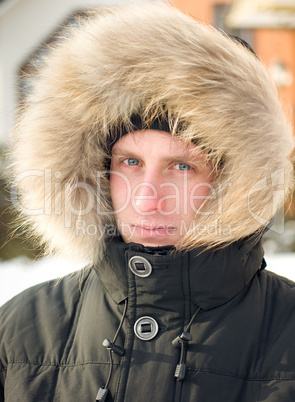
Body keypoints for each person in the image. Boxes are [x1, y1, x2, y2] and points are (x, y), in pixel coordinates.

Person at [1, 3, 295, 401]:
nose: (147, 198)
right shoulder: (21, 329)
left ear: (231, 182)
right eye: (131, 162)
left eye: (183, 167)